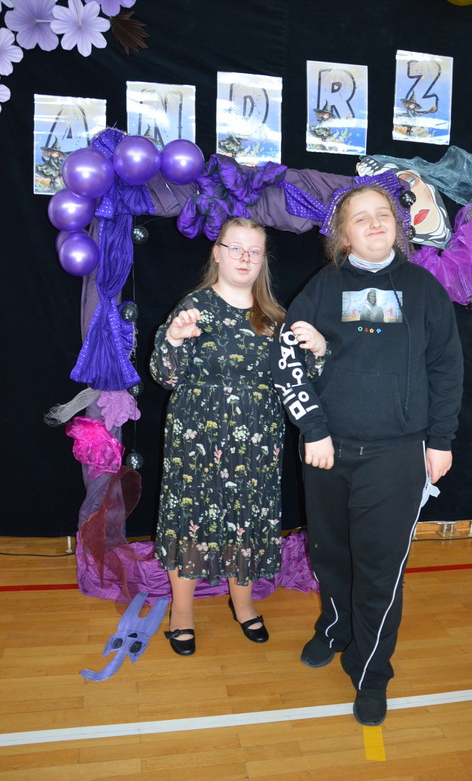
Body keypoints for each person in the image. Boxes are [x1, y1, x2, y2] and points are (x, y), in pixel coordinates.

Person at [271, 178, 463, 726]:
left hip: (397, 455)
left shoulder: (425, 289)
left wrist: (440, 440)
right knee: (330, 556)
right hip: (328, 452)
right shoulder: (322, 287)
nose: (375, 223)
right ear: (342, 235)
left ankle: (371, 669)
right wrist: (313, 429)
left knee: (379, 570)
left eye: (383, 214)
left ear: (398, 227)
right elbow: (289, 360)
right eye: (361, 217)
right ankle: (334, 628)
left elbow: (446, 369)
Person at [150, 216, 322, 657]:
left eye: (254, 251)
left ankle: (243, 605)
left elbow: (302, 382)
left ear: (263, 259)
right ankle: (181, 614)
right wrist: (174, 339)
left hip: (257, 442)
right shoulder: (193, 307)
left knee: (246, 521)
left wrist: (319, 351)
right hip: (195, 440)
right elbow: (164, 376)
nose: (244, 258)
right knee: (190, 520)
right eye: (235, 248)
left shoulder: (276, 318)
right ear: (217, 252)